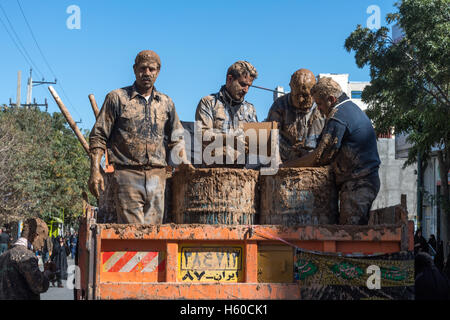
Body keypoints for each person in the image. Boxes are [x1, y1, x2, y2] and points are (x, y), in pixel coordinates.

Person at [89, 50, 188, 224]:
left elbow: (177, 138)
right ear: (135, 69)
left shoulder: (166, 103)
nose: (147, 73)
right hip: (127, 174)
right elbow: (98, 136)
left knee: (153, 234)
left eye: (152, 69)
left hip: (157, 176)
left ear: (158, 71)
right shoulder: (117, 98)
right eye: (143, 68)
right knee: (133, 232)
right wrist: (95, 170)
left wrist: (183, 164)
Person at [283, 77, 381, 225]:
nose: (319, 109)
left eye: (320, 104)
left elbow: (320, 157)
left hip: (359, 183)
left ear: (331, 99)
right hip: (361, 181)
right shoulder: (348, 109)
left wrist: (286, 167)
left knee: (350, 236)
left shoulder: (338, 116)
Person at [195, 61, 258, 165]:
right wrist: (230, 139)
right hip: (210, 172)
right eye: (242, 84)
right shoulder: (208, 103)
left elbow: (255, 142)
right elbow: (203, 135)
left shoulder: (250, 109)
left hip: (242, 174)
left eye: (249, 86)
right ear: (230, 79)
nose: (246, 90)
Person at [266, 69, 325, 161]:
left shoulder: (322, 106)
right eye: (297, 95)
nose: (301, 100)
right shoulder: (279, 105)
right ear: (291, 89)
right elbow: (271, 137)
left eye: (305, 95)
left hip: (314, 160)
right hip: (285, 161)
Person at [0, 218, 55, 300]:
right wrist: (47, 274)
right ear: (36, 236)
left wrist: (42, 273)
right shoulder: (27, 256)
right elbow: (39, 285)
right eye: (43, 240)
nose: (43, 245)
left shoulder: (4, 256)